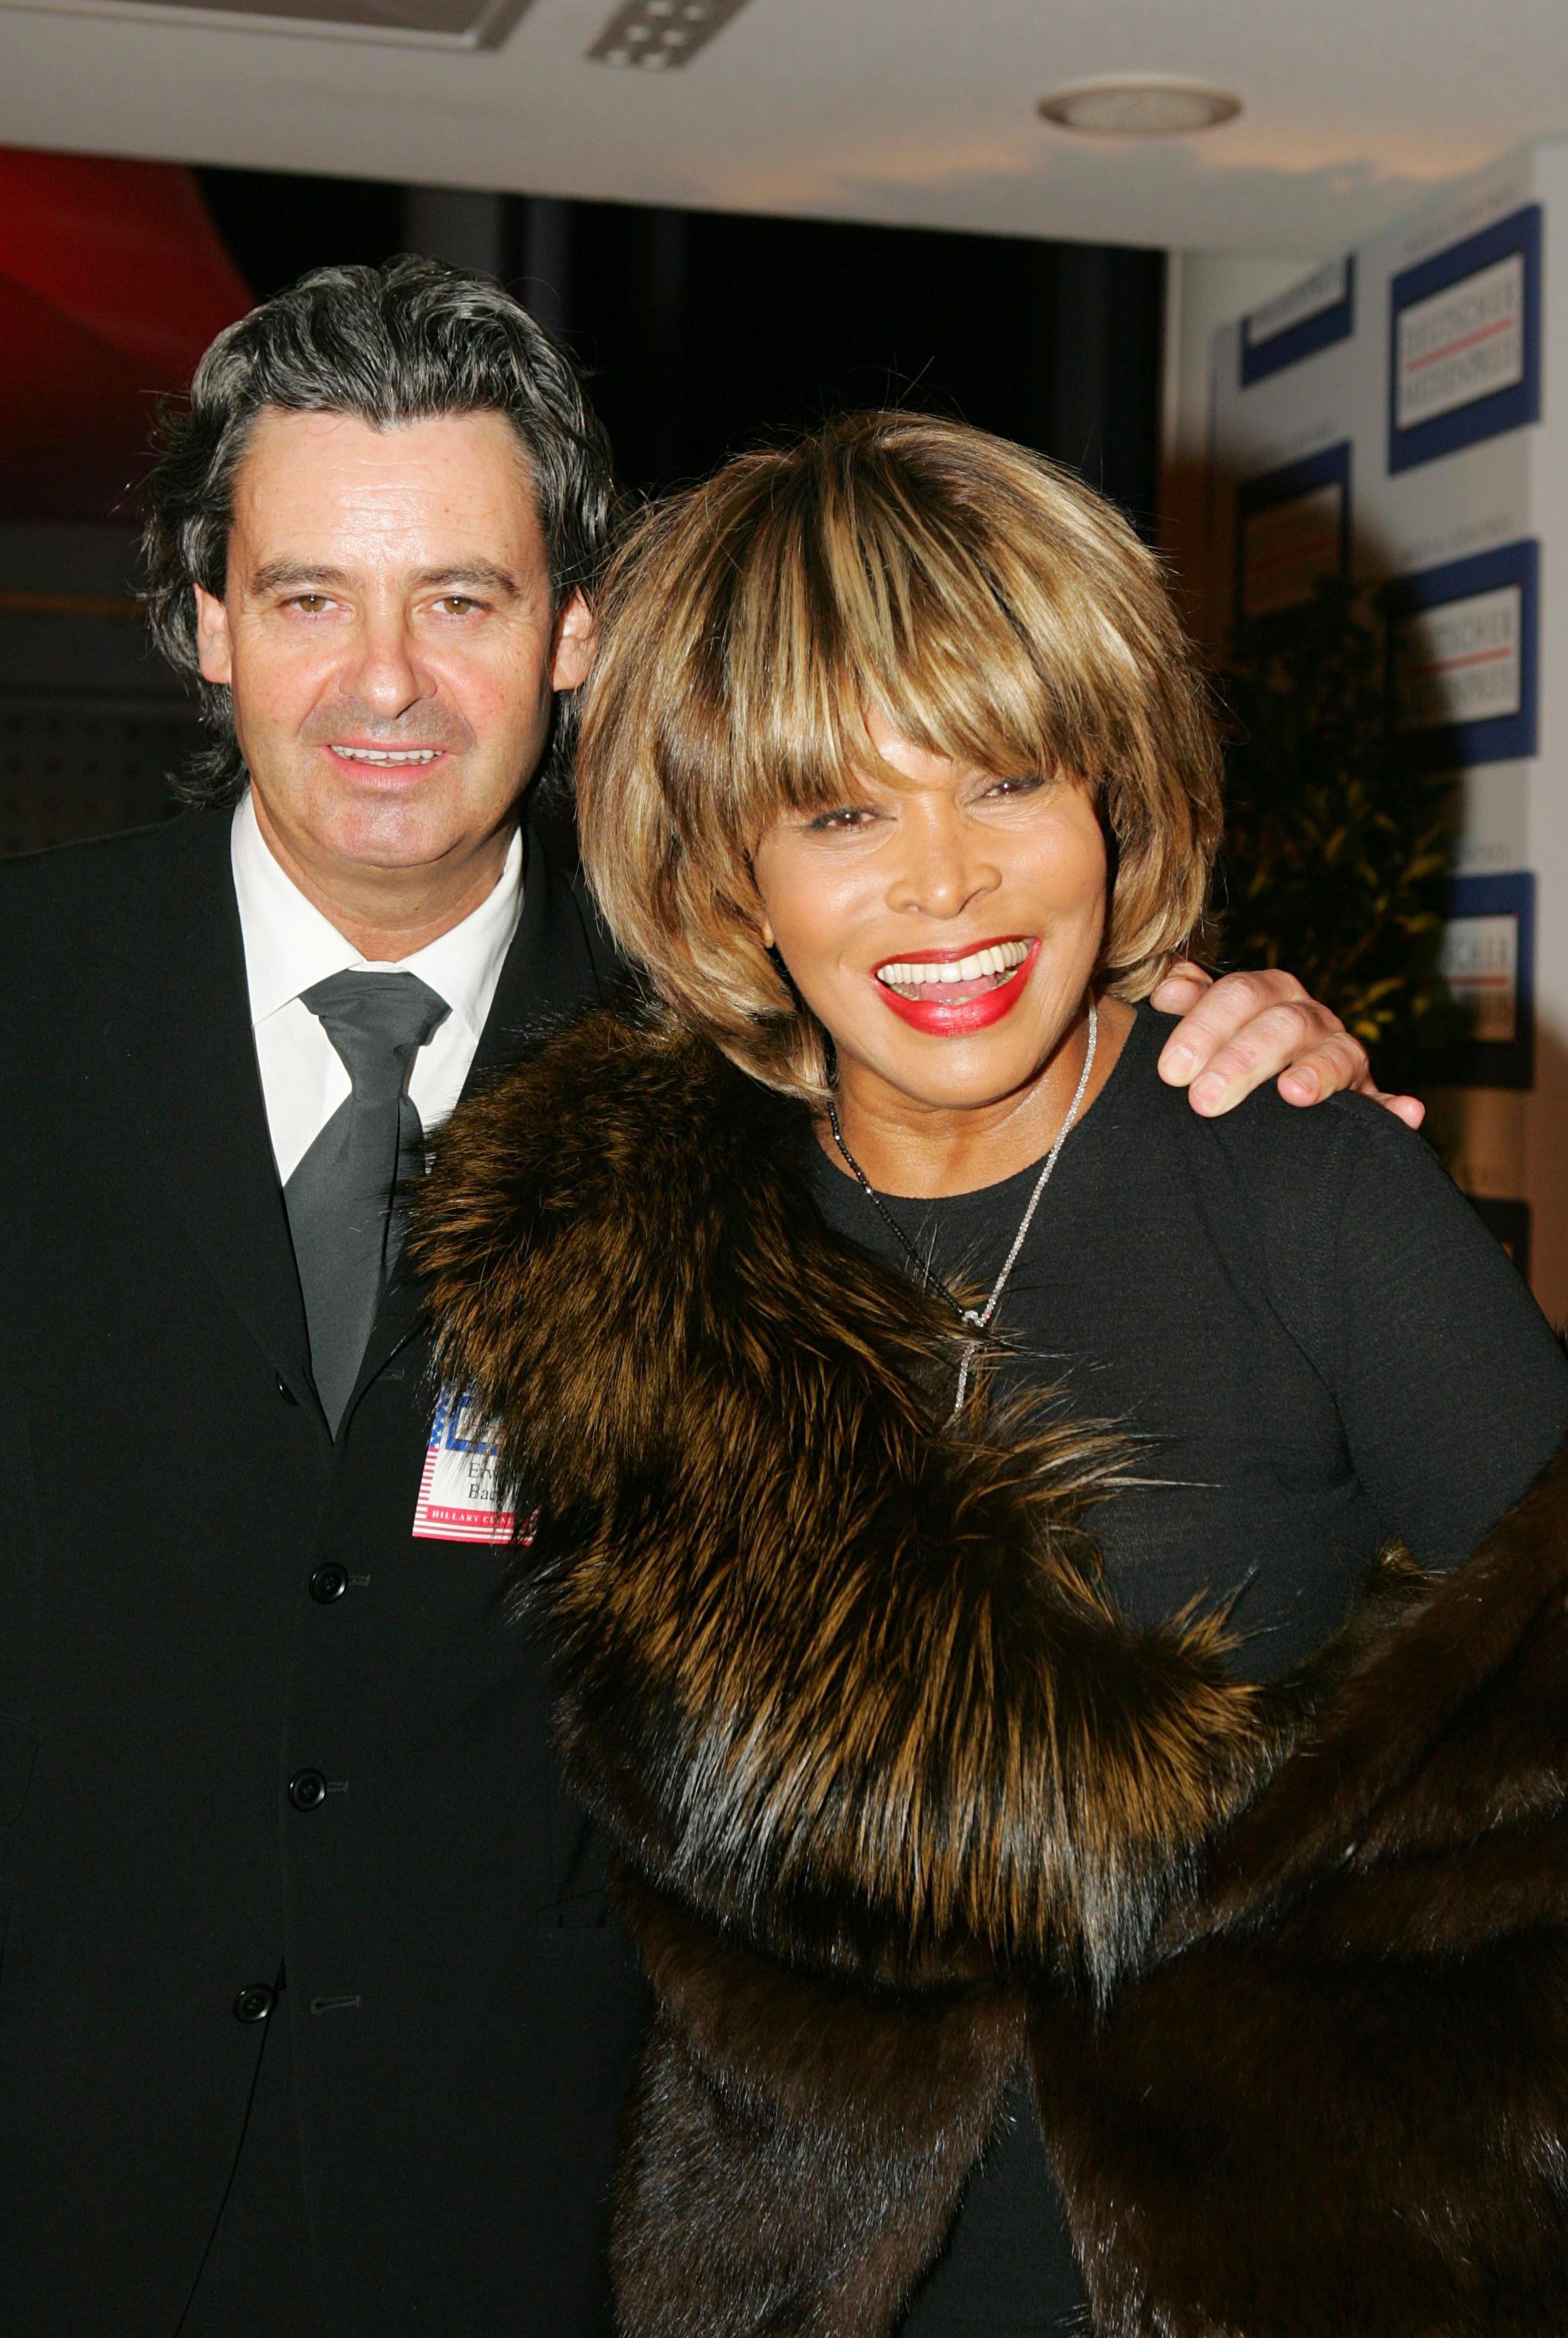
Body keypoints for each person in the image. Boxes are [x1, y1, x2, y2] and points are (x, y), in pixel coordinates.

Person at [0, 259, 1425, 2337]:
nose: (381, 680)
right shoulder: (17, 998)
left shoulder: (742, 1043)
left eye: (464, 601)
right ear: (208, 623)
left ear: (577, 633)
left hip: (543, 2214)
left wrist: (1233, 1042)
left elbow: (1020, 1060)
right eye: (309, 597)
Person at [415, 410, 1568, 2337]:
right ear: (730, 866)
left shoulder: (1296, 1176)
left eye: (1007, 782)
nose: (945, 886)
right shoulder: (632, 1254)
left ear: (1114, 799)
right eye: (845, 814)